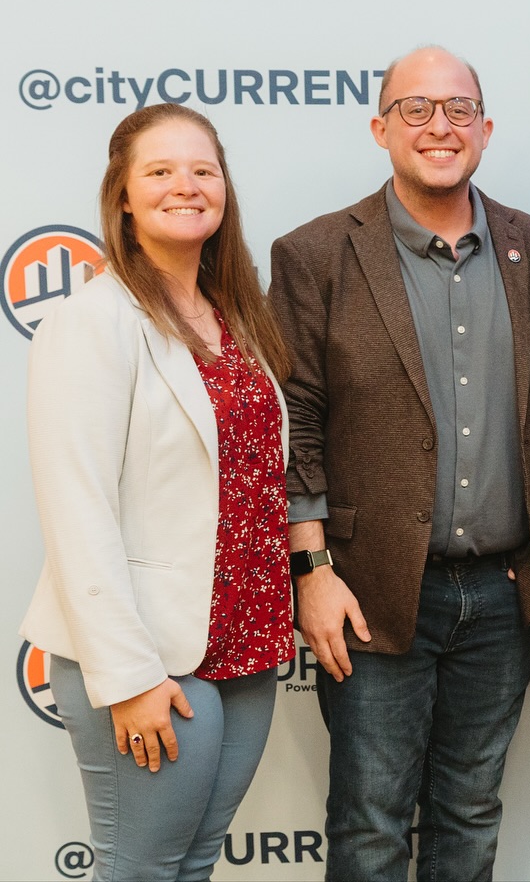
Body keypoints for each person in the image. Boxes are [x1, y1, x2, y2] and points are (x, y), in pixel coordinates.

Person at [268, 46, 530, 882]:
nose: (439, 127)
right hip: (372, 590)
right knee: (370, 824)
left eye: (458, 109)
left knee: (471, 815)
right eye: (416, 109)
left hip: (500, 597)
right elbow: (298, 421)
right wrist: (311, 568)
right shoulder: (315, 254)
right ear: (380, 127)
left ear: (487, 130)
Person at [21, 102, 292, 880]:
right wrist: (129, 675)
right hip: (148, 652)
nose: (187, 185)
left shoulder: (238, 316)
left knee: (195, 860)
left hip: (242, 637)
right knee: (140, 867)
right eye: (161, 171)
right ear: (124, 196)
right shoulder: (93, 321)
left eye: (204, 170)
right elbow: (76, 510)